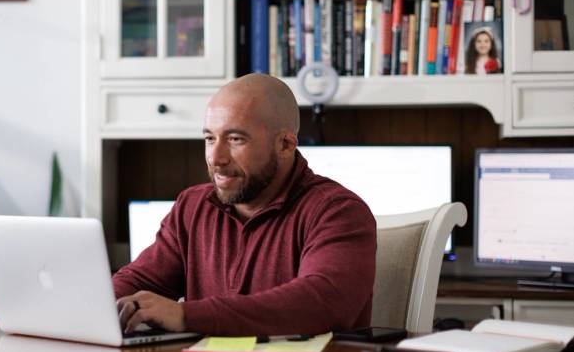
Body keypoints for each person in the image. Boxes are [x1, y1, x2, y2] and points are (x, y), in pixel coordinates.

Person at [113, 74, 377, 336]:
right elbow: (137, 283)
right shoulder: (192, 207)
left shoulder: (339, 212)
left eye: (235, 139)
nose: (216, 158)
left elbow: (322, 304)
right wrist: (95, 305)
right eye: (209, 139)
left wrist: (184, 315)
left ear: (285, 145)